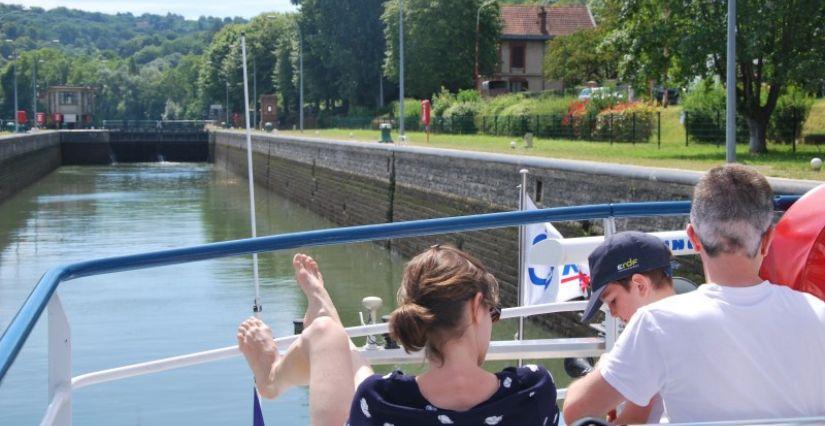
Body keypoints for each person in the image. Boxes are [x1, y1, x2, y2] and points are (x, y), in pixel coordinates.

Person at [563, 164, 825, 424]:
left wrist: (605, 365)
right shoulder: (819, 313)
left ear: (693, 237)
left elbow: (575, 411)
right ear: (768, 240)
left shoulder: (658, 324)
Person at [238, 246, 560, 426]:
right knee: (349, 363)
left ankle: (281, 368)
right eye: (493, 312)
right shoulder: (534, 391)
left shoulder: (382, 400)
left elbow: (371, 394)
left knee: (328, 339)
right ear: (477, 307)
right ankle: (325, 319)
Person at [578, 231, 678, 424]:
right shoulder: (697, 317)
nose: (613, 313)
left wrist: (603, 367)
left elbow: (577, 411)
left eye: (613, 301)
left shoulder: (650, 333)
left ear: (640, 285)